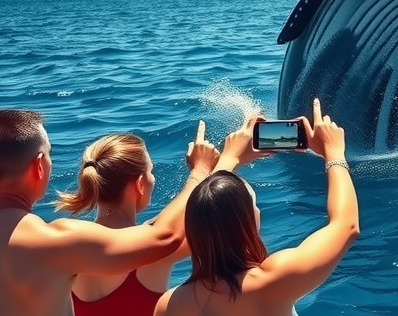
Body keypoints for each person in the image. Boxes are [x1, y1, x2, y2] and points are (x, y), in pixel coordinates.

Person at [154, 98, 359, 316]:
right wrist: (333, 151)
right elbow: (346, 225)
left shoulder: (169, 305)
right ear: (248, 220)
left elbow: (210, 207)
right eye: (254, 204)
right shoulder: (272, 281)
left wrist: (229, 157)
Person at [60, 118, 261, 316]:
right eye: (150, 171)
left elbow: (167, 224)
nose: (152, 178)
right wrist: (228, 158)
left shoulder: (69, 251)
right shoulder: (153, 251)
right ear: (140, 184)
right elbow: (208, 214)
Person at [0, 109, 182, 316]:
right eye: (50, 153)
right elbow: (166, 237)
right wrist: (200, 171)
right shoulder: (52, 240)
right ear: (39, 165)